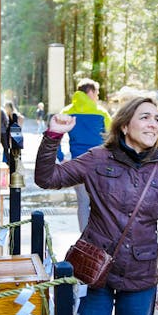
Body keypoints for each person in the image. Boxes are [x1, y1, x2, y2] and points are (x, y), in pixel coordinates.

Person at [34, 97, 158, 315]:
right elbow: (47, 178)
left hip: (140, 276)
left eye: (157, 119)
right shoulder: (97, 159)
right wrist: (53, 137)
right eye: (144, 117)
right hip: (95, 272)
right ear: (124, 126)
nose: (153, 124)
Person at [60, 78, 112, 231]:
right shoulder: (101, 112)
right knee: (102, 202)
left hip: (78, 165)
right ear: (90, 92)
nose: (97, 97)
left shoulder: (67, 111)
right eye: (96, 93)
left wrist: (61, 156)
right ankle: (100, 237)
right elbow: (111, 137)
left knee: (83, 201)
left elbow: (54, 135)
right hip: (100, 164)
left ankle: (84, 240)